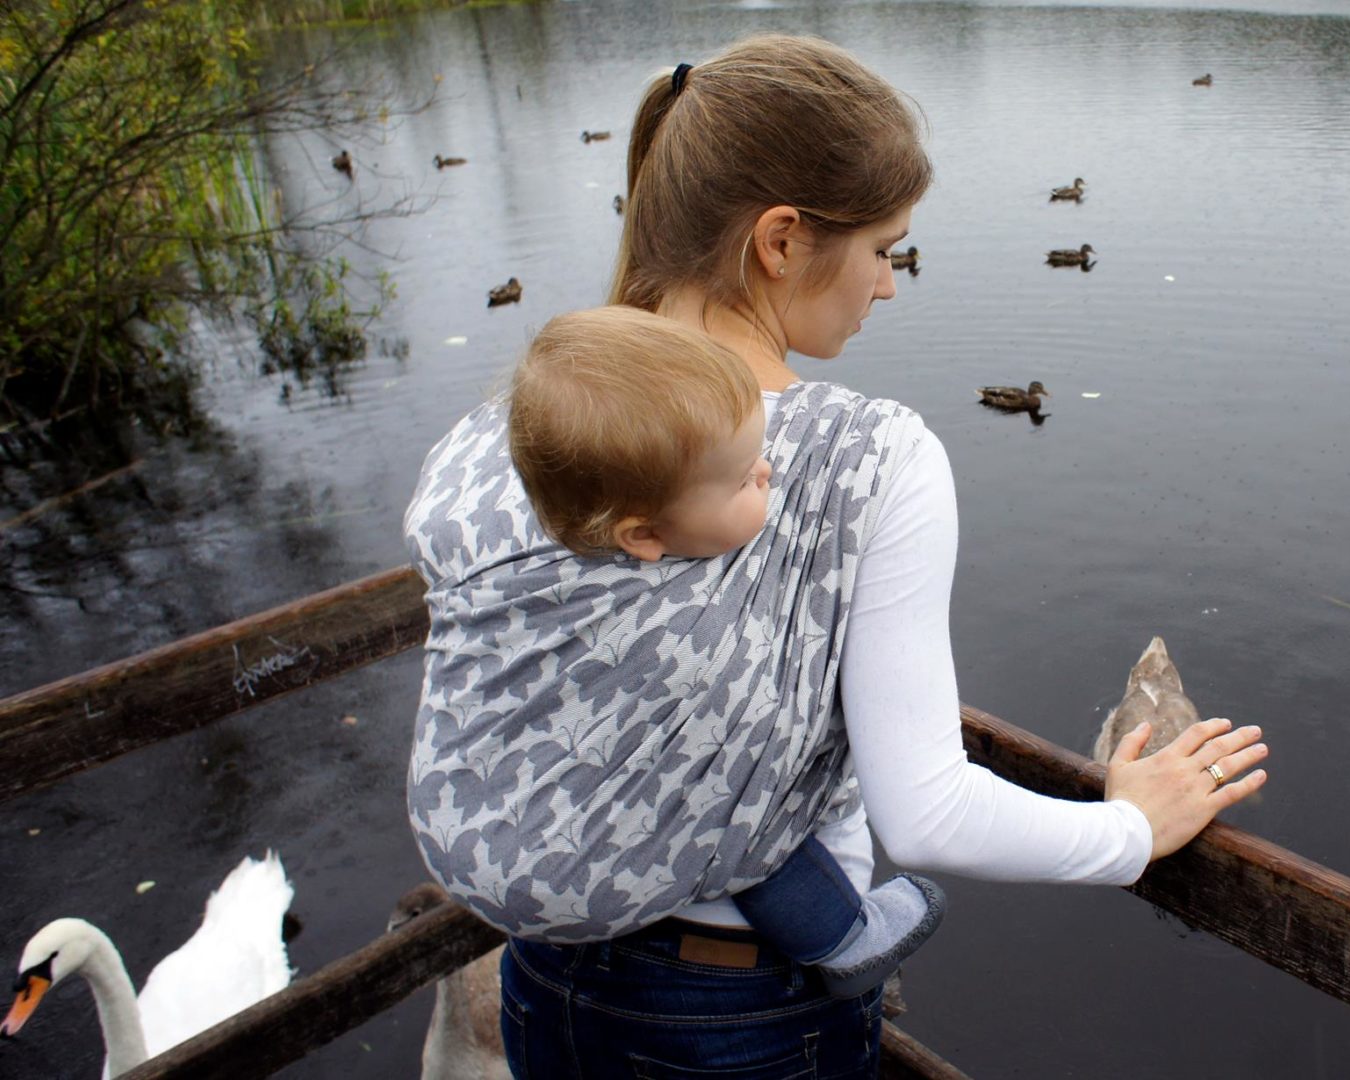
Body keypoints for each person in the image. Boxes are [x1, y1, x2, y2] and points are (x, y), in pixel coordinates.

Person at [405, 34, 1269, 1080]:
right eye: (884, 250)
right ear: (780, 240)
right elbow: (929, 810)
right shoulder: (869, 455)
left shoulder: (529, 415)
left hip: (549, 980)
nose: (890, 287)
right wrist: (1127, 830)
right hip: (733, 1012)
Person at [502, 303, 946, 999]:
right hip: (717, 986)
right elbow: (751, 771)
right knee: (750, 818)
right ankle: (845, 938)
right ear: (644, 535)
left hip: (544, 965)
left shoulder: (550, 569)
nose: (768, 475)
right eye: (742, 480)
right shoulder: (682, 642)